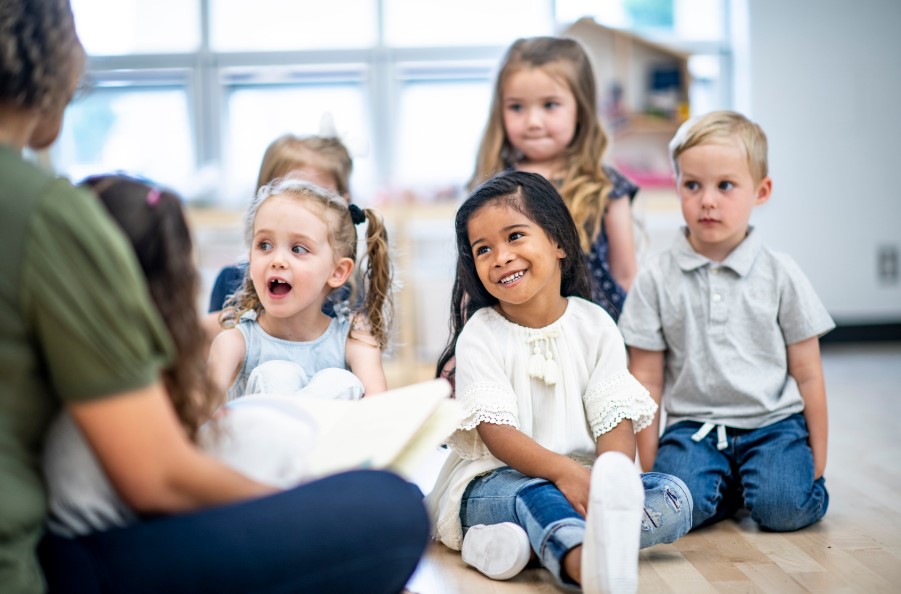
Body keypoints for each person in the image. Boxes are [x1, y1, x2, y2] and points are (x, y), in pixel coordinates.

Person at [0, 2, 427, 592]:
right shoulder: (44, 211)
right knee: (393, 508)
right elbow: (158, 477)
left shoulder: (46, 209)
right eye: (266, 243)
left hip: (63, 532)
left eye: (303, 245)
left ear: (340, 263)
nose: (278, 260)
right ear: (48, 57)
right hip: (50, 560)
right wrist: (285, 506)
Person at [427, 171, 691, 594]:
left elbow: (614, 420)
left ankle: (519, 548)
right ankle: (584, 562)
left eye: (515, 236)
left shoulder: (596, 325)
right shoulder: (481, 333)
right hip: (496, 484)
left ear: (558, 242)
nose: (500, 256)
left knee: (673, 495)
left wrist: (607, 482)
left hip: (584, 483)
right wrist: (564, 474)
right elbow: (498, 435)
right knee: (536, 495)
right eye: (483, 249)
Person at [619, 110, 834, 532]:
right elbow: (646, 379)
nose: (708, 200)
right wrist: (651, 471)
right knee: (674, 508)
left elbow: (808, 373)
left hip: (773, 425)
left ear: (762, 190)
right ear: (677, 185)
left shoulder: (781, 272)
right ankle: (725, 489)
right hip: (694, 429)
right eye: (692, 185)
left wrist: (818, 462)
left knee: (784, 509)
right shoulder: (656, 277)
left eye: (725, 186)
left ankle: (757, 485)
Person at [469, 36, 639, 321]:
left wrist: (639, 348)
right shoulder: (493, 189)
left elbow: (625, 274)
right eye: (517, 107)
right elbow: (473, 278)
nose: (533, 121)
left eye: (549, 105)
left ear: (580, 110)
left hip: (594, 336)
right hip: (516, 334)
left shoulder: (606, 187)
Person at [208, 177, 394, 401]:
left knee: (339, 381)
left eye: (298, 249)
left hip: (335, 435)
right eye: (264, 245)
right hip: (258, 434)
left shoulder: (354, 340)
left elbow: (380, 415)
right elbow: (202, 419)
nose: (277, 260)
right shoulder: (234, 343)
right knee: (277, 375)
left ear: (337, 271)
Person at [203, 133, 356, 340]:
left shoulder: (348, 292)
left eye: (316, 195)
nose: (298, 205)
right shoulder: (230, 281)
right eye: (286, 191)